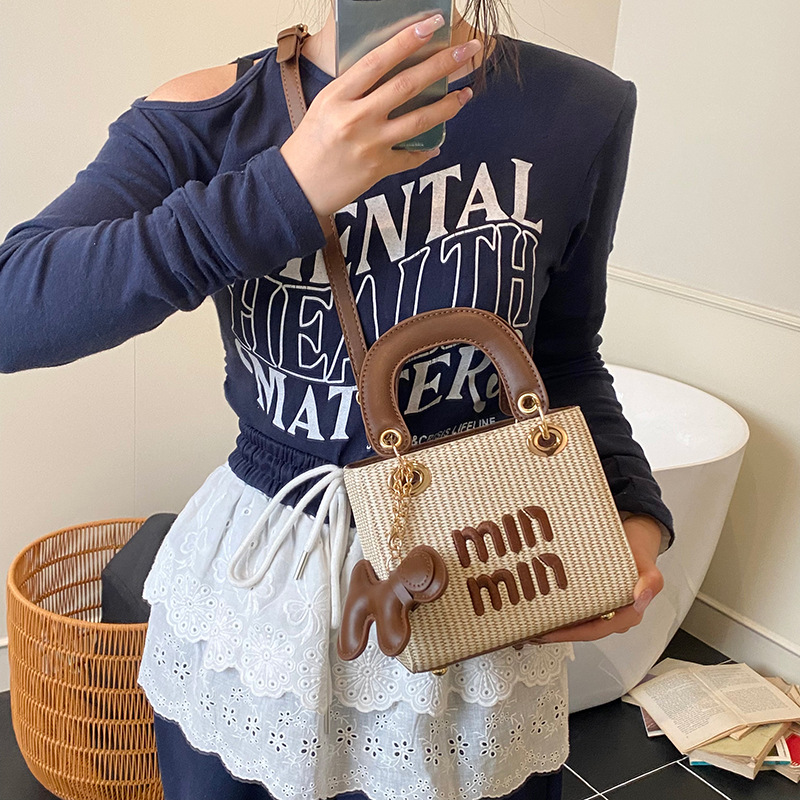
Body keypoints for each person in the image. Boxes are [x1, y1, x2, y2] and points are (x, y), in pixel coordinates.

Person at [0, 1, 674, 798]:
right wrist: (284, 189)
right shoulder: (210, 114)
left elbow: (563, 355)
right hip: (265, 593)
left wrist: (632, 509)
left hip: (479, 576)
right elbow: (16, 308)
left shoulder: (579, 108)